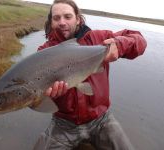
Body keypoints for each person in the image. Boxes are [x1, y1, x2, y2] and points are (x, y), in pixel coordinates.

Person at [33, 0, 147, 150]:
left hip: (101, 119)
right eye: (56, 18)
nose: (62, 22)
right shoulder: (43, 53)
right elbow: (38, 95)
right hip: (64, 123)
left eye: (67, 17)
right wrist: (47, 95)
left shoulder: (99, 39)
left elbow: (138, 39)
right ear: (51, 21)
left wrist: (119, 45)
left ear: (78, 19)